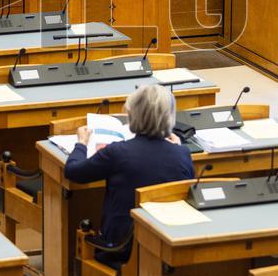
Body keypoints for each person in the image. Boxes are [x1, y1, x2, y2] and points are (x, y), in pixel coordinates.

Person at [64, 84, 194, 262]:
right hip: (166, 245)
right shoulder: (182, 153)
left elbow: (73, 172)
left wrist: (81, 143)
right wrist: (178, 149)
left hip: (120, 249)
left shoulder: (118, 152)